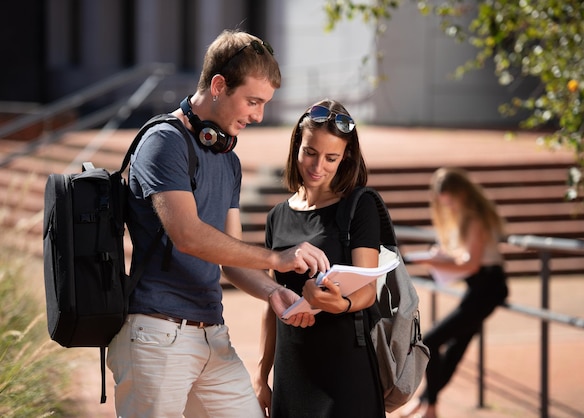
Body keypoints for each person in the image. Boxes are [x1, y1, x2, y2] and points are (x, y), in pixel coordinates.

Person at [106, 29, 330, 418]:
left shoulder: (227, 157)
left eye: (264, 104)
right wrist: (277, 259)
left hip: (212, 334)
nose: (258, 115)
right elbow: (188, 235)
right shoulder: (164, 142)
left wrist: (273, 293)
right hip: (157, 335)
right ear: (219, 85)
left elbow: (231, 258)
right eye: (252, 101)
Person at [252, 99, 386, 417]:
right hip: (291, 370)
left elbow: (367, 291)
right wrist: (261, 375)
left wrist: (341, 304)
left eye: (331, 157)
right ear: (297, 145)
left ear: (346, 157)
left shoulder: (359, 206)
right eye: (310, 152)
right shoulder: (277, 217)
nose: (317, 166)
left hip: (345, 373)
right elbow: (271, 306)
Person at [399, 167, 509, 418]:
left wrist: (431, 261)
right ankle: (428, 403)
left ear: (461, 194)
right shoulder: (467, 215)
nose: (448, 206)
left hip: (487, 287)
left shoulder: (473, 217)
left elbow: (470, 263)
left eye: (451, 201)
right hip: (481, 287)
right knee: (454, 349)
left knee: (431, 341)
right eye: (445, 202)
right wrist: (441, 257)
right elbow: (468, 259)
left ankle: (430, 406)